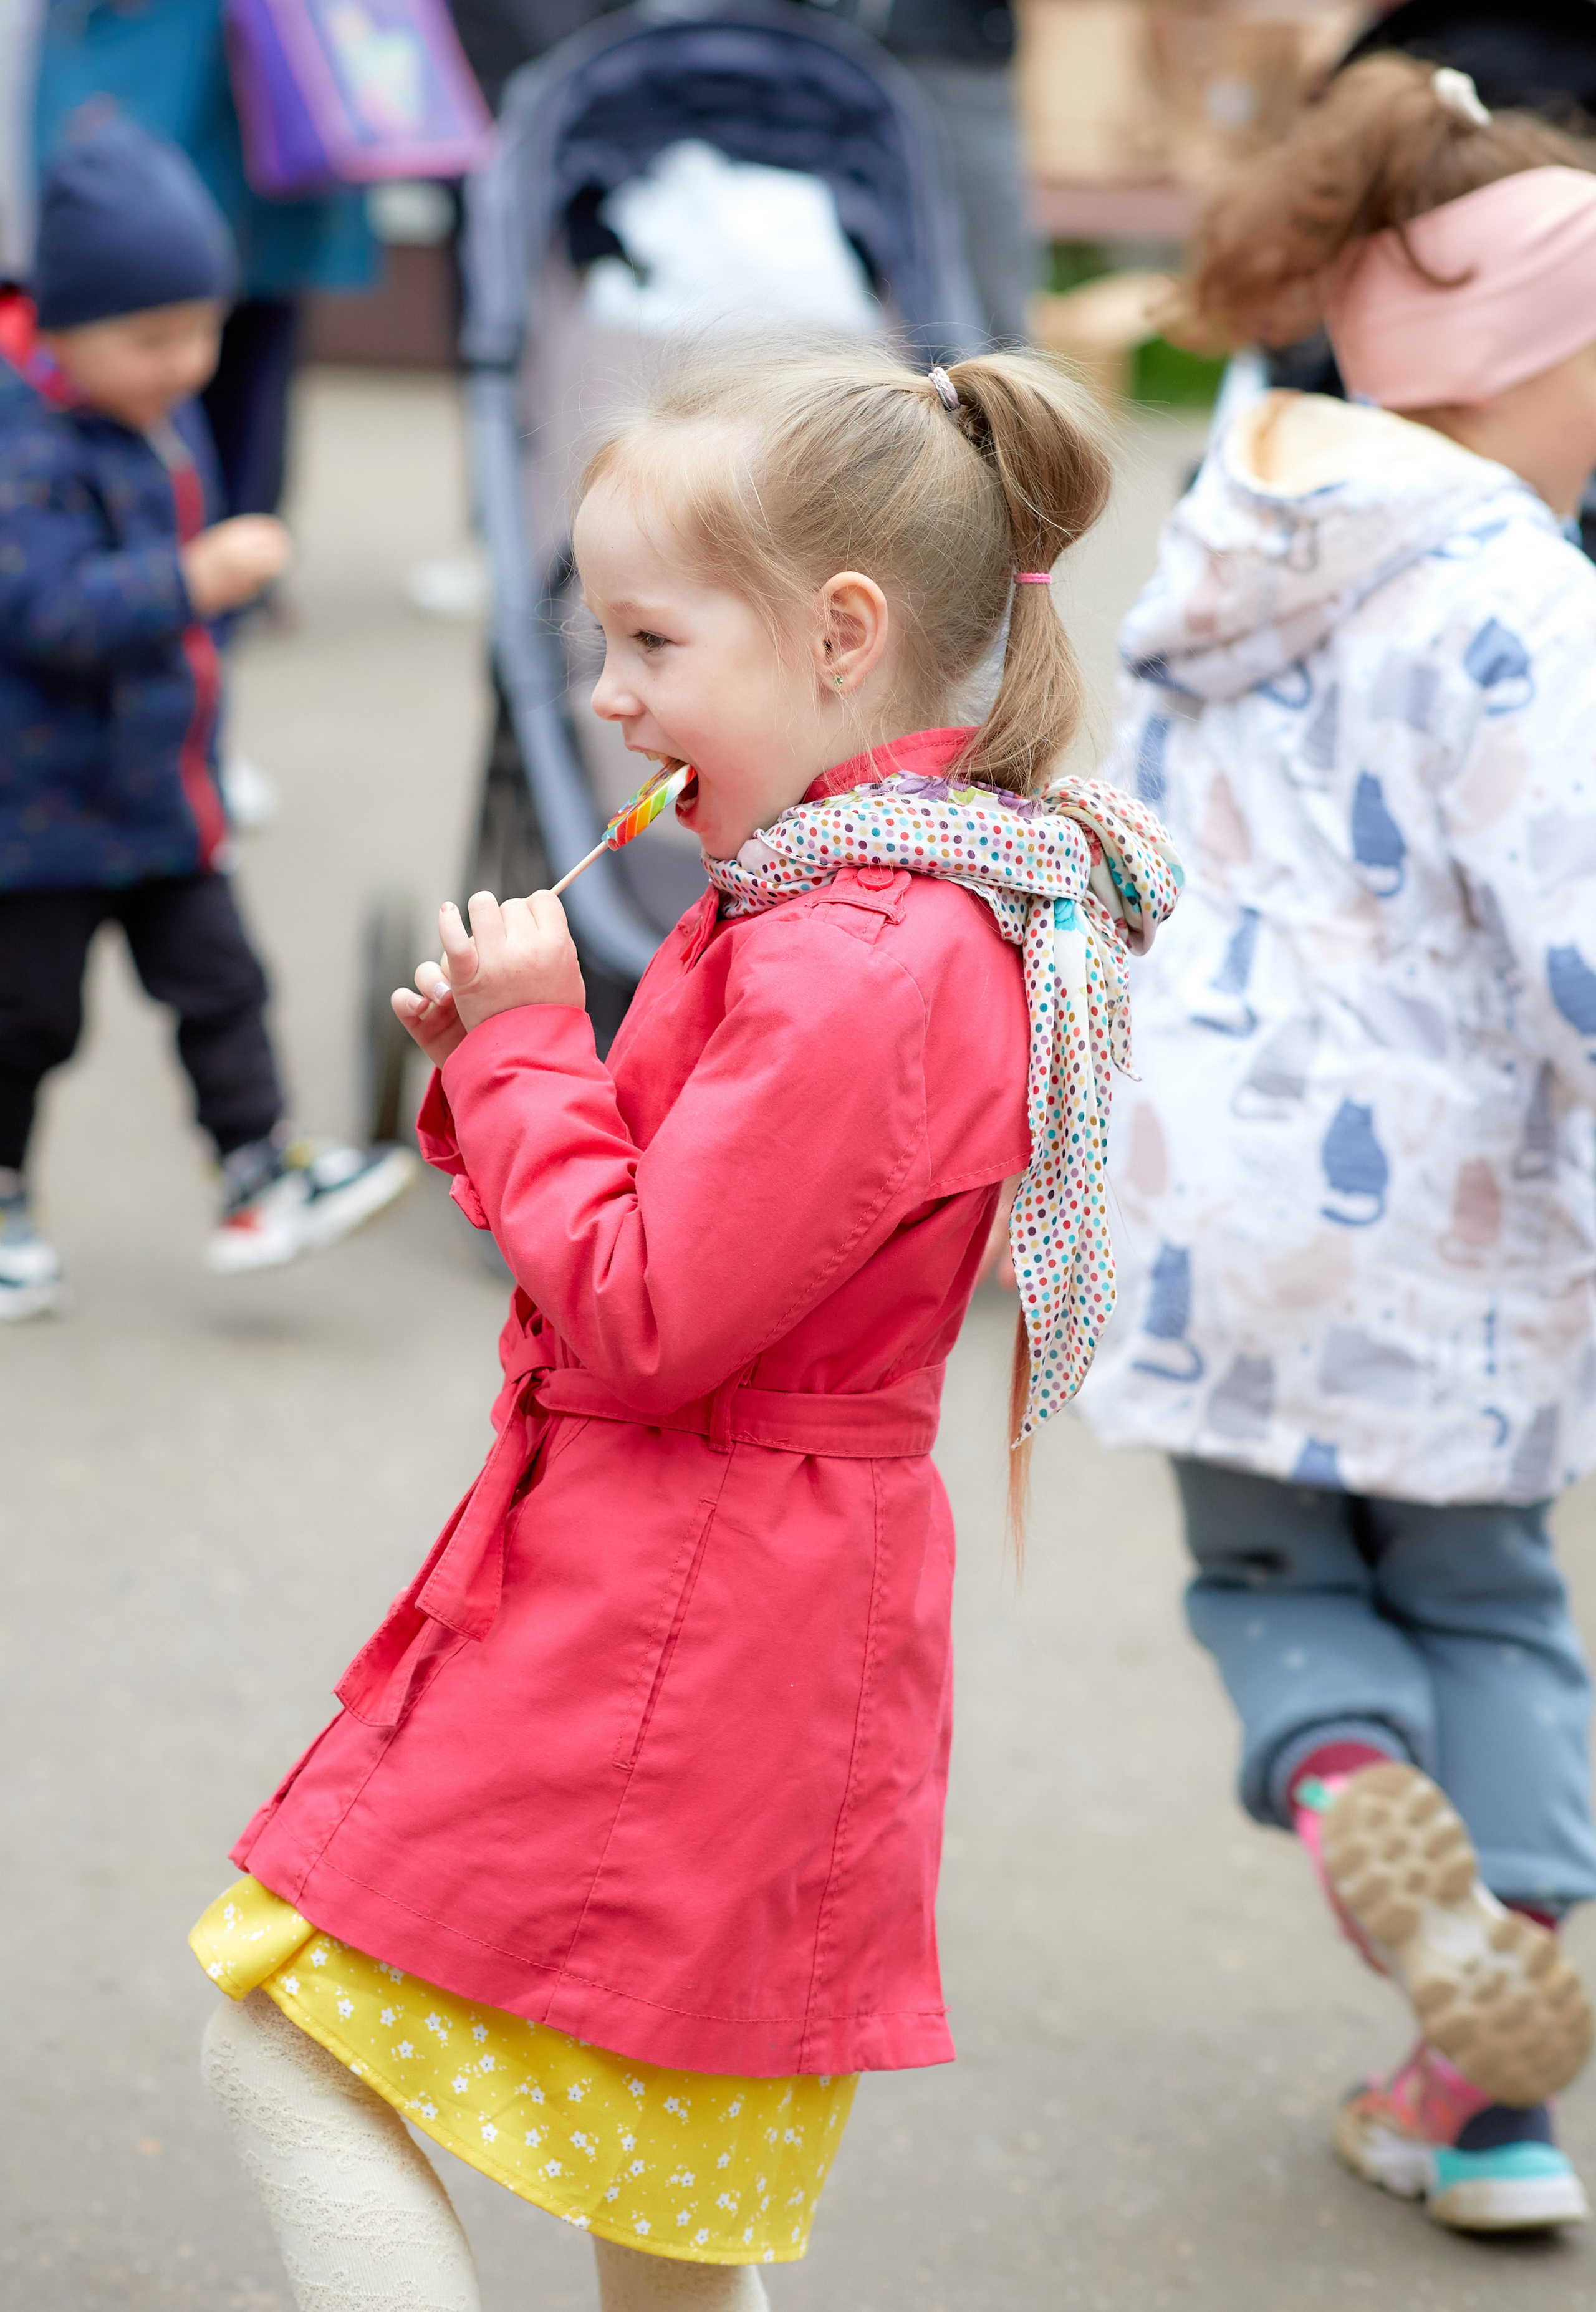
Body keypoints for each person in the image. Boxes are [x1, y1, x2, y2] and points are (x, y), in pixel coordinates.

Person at [187, 339, 1179, 2311]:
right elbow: (666, 1230)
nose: (609, 695)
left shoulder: (860, 952)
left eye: (650, 637)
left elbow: (641, 1313)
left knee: (287, 2037)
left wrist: (533, 1048)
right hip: (751, 1615)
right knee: (667, 2208)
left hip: (683, 1625)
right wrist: (503, 1073)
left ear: (838, 634)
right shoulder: (858, 901)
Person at [1081, 54, 1596, 2235]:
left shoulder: (1229, 537)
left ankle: (1351, 1789)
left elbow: (1116, 848)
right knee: (1486, 1596)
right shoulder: (1522, 598)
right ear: (1527, 367)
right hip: (1449, 1212)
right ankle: (1502, 2060)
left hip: (1212, 1190)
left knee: (1277, 1571)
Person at [0, 115, 415, 1314]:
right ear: (63, 324)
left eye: (204, 333)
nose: (188, 363)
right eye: (154, 338)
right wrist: (194, 580)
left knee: (222, 982)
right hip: (38, 810)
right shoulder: (28, 446)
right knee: (26, 1017)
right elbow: (44, 608)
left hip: (158, 793)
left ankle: (259, 1170)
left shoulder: (144, 415)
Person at [34, 0, 378, 522]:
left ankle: (226, 543)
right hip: (162, 89)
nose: (186, 363)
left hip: (269, 104)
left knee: (238, 354)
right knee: (138, 331)